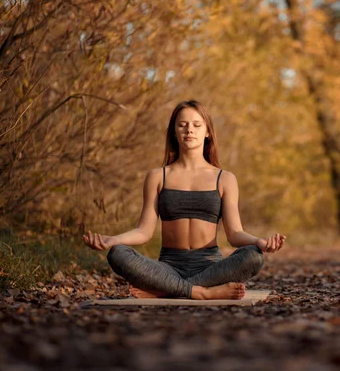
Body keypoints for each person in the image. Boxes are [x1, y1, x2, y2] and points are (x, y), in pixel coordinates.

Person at [82, 100, 286, 300]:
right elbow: (144, 231)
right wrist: (113, 240)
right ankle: (202, 292)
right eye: (182, 125)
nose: (189, 130)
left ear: (207, 132)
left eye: (197, 125)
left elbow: (234, 234)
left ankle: (167, 290)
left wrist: (259, 241)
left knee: (254, 256)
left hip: (210, 268)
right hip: (168, 267)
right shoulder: (157, 176)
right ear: (174, 131)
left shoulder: (224, 178)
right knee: (117, 254)